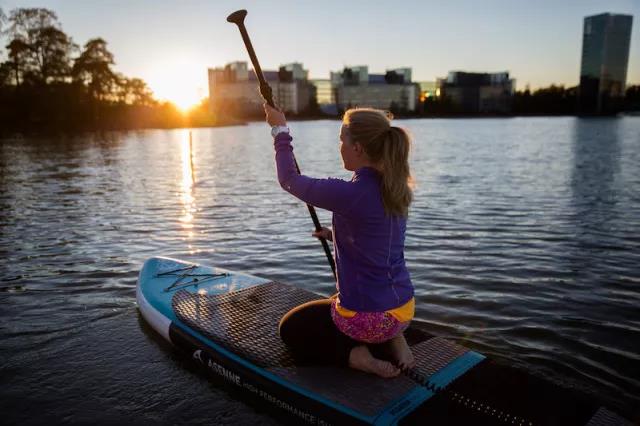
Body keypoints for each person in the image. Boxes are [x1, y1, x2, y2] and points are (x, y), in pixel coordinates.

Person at [265, 103, 416, 378]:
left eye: (341, 140)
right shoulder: (396, 189)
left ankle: (360, 358)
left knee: (291, 327)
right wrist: (335, 235)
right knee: (343, 299)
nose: (340, 146)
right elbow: (379, 239)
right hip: (404, 310)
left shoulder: (350, 193)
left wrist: (280, 130)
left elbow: (288, 179)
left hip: (369, 320)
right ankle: (397, 339)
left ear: (357, 148)